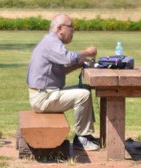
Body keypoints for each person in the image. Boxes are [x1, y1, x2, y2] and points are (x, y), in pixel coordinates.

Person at [26, 13, 99, 151]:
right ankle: (81, 138)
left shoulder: (50, 41)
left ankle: (86, 135)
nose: (73, 32)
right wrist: (88, 52)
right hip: (43, 98)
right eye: (71, 28)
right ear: (60, 28)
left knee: (85, 89)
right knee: (83, 95)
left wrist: (77, 65)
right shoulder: (51, 42)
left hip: (45, 94)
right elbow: (67, 58)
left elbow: (58, 72)